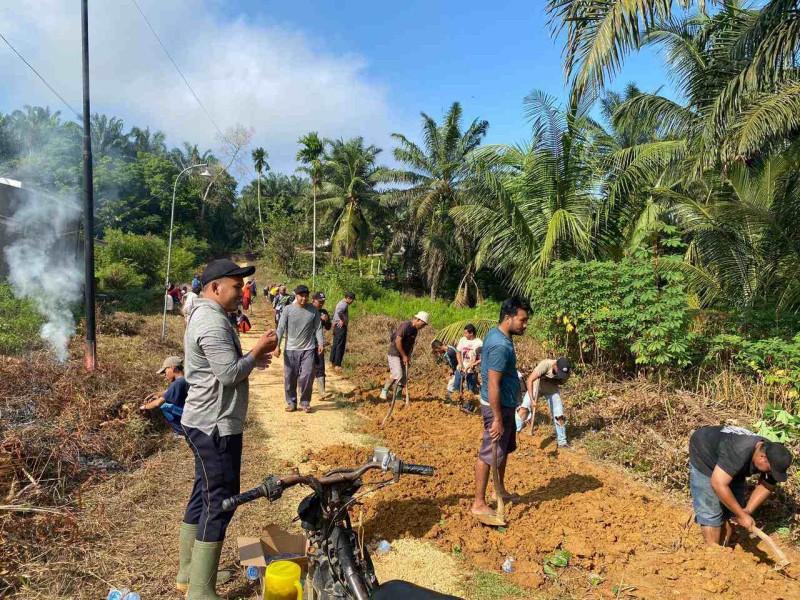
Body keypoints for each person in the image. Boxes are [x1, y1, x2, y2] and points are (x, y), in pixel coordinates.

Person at [178, 259, 277, 598]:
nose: (242, 292)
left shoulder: (210, 315)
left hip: (202, 420)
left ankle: (189, 572)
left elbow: (223, 368)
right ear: (215, 287)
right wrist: (256, 351)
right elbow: (229, 374)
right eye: (237, 286)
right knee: (221, 501)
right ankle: (199, 590)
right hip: (214, 425)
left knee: (202, 494)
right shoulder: (212, 320)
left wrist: (251, 359)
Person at [471, 298, 531, 521]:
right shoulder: (499, 345)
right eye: (522, 320)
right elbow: (492, 383)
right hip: (496, 409)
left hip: (505, 406)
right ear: (508, 318)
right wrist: (497, 418)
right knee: (489, 453)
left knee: (502, 450)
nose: (525, 325)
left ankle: (500, 492)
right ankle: (478, 503)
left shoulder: (500, 336)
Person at [689, 425, 793, 546]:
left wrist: (746, 511)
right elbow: (718, 484)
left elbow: (767, 485)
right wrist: (741, 515)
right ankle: (714, 555)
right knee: (711, 512)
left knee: (733, 513)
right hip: (704, 453)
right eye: (770, 471)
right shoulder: (739, 450)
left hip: (730, 460)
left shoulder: (774, 456)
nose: (771, 474)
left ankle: (724, 548)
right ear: (762, 457)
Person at [274, 285, 324, 413]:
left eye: (306, 295)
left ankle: (305, 402)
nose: (304, 298)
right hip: (290, 349)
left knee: (307, 375)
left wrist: (321, 343)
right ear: (295, 296)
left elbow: (318, 328)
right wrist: (277, 346)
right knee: (290, 377)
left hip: (308, 349)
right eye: (301, 295)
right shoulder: (288, 310)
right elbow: (280, 328)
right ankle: (291, 402)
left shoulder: (313, 310)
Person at [379, 312, 429, 403]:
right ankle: (384, 391)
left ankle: (398, 396)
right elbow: (398, 340)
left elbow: (411, 345)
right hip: (395, 353)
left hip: (404, 355)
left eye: (424, 325)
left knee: (403, 378)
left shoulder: (415, 331)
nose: (423, 327)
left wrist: (408, 357)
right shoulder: (406, 325)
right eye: (422, 324)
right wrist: (403, 356)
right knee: (397, 374)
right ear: (417, 320)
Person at [524, 357, 572, 448]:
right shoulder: (545, 364)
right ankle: (515, 432)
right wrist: (532, 400)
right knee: (524, 408)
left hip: (551, 389)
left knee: (559, 415)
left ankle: (562, 442)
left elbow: (561, 382)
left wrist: (548, 379)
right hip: (536, 386)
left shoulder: (567, 373)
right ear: (555, 366)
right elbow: (529, 380)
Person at [139, 356, 189, 436]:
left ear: (172, 368)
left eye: (165, 371)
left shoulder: (178, 383)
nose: (165, 375)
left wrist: (144, 406)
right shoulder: (184, 379)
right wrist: (157, 394)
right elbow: (168, 392)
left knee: (164, 406)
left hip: (187, 413)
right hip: (190, 410)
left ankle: (181, 432)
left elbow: (157, 403)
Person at [311, 291, 332, 398]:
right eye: (319, 301)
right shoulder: (308, 310)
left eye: (323, 301)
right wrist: (319, 319)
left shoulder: (324, 311)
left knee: (320, 367)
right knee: (306, 368)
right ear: (313, 300)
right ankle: (302, 390)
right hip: (307, 344)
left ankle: (321, 392)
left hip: (318, 344)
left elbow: (328, 327)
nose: (321, 303)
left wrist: (327, 321)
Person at [330, 292, 355, 371]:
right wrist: (342, 319)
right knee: (340, 345)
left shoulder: (340, 303)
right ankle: (337, 364)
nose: (352, 302)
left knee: (335, 344)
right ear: (348, 298)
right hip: (341, 327)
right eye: (352, 300)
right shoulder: (344, 304)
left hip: (337, 326)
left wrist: (334, 321)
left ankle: (333, 362)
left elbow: (336, 312)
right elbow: (339, 312)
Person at [456, 324, 483, 394]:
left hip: (472, 370)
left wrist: (473, 364)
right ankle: (458, 402)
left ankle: (468, 404)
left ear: (471, 333)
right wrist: (460, 364)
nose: (464, 335)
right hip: (461, 368)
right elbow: (458, 352)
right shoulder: (462, 340)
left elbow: (481, 358)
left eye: (466, 333)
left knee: (470, 390)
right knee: (457, 385)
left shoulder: (479, 343)